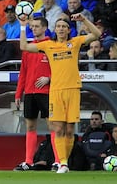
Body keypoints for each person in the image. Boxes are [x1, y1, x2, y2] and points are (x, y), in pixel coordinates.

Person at [19, 12, 102, 173]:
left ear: (68, 30)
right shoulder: (48, 45)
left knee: (70, 130)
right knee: (58, 128)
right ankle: (62, 163)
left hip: (72, 90)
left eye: (64, 26)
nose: (61, 29)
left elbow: (97, 34)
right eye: (58, 26)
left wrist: (84, 20)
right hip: (56, 92)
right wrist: (23, 26)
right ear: (55, 29)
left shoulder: (75, 43)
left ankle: (64, 161)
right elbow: (24, 47)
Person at [14, 16, 60, 171]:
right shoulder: (29, 48)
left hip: (47, 92)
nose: (33, 29)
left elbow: (62, 69)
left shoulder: (52, 46)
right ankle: (28, 161)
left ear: (44, 28)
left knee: (52, 126)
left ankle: (58, 161)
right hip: (30, 92)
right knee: (30, 126)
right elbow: (23, 72)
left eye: (36, 26)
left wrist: (49, 78)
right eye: (31, 26)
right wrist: (19, 93)